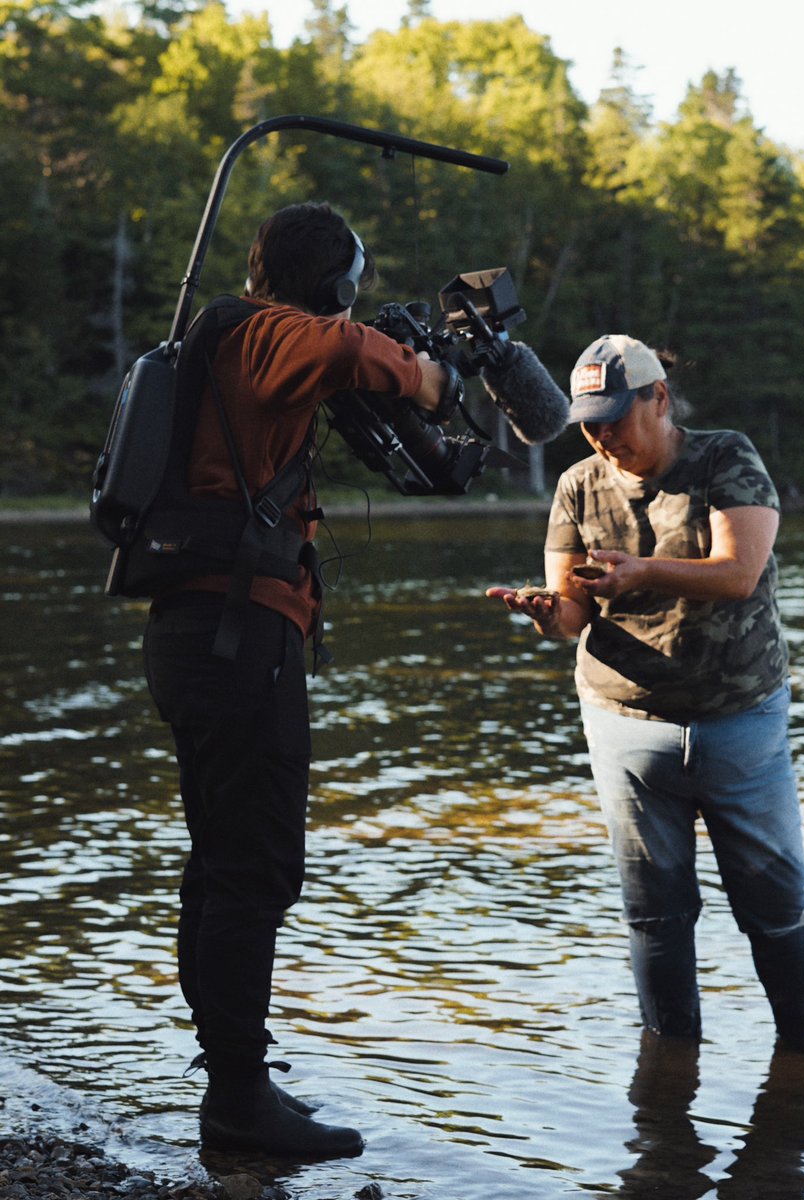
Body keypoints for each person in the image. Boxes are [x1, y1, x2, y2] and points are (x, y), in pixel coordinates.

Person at [142, 202, 456, 1157]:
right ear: (334, 284)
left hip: (201, 631)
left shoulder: (232, 338)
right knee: (255, 868)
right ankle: (239, 1106)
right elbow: (337, 350)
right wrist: (426, 376)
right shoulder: (264, 334)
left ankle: (232, 1082)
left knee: (223, 865)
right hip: (239, 637)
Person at [487, 334, 804, 1055]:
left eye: (614, 415)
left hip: (740, 723)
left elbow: (738, 572)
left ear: (659, 399)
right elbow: (573, 611)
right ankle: (670, 1073)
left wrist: (641, 572)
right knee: (655, 915)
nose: (602, 435)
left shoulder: (725, 458)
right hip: (626, 727)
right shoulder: (578, 485)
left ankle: (802, 1061)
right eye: (589, 421)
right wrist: (549, 614)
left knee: (774, 909)